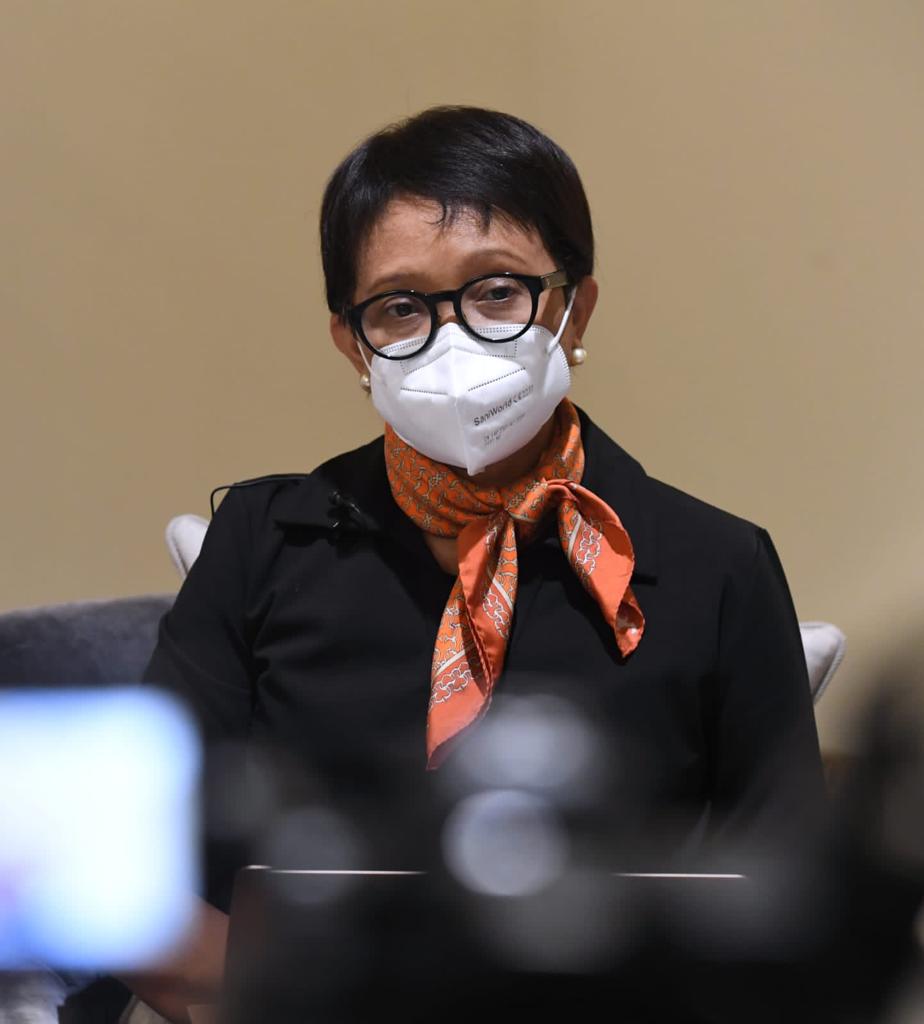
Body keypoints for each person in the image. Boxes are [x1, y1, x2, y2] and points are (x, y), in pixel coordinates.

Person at [131, 106, 826, 1021]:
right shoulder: (266, 543)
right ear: (352, 343)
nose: (453, 338)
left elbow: (793, 910)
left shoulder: (715, 566)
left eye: (497, 291)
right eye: (400, 307)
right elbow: (119, 873)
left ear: (575, 306)